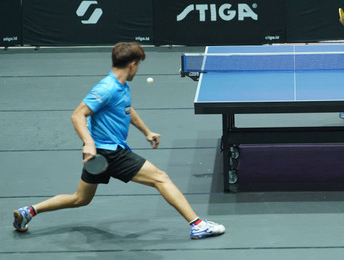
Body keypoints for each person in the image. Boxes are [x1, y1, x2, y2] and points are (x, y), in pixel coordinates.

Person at [12, 42, 225, 240]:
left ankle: (29, 211)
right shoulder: (107, 88)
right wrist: (88, 142)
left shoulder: (121, 86)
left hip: (102, 154)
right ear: (132, 64)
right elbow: (78, 115)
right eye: (138, 65)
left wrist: (146, 131)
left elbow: (126, 109)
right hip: (110, 153)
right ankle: (197, 224)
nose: (138, 69)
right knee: (161, 178)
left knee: (80, 199)